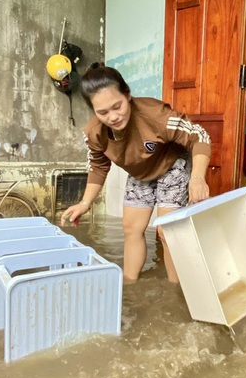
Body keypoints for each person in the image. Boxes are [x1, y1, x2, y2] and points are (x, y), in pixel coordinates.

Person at [61, 64, 211, 284]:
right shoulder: (94, 133)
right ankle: (129, 284)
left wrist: (197, 178)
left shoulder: (155, 115)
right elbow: (99, 166)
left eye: (117, 106)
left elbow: (199, 136)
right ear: (94, 111)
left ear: (127, 95)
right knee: (131, 228)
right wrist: (84, 203)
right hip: (140, 172)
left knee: (166, 231)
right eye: (103, 112)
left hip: (172, 165)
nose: (113, 117)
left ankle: (176, 289)